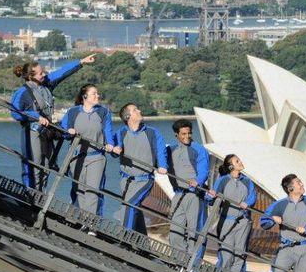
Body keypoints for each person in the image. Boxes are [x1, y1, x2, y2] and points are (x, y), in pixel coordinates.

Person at [10, 54, 96, 190]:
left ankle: (41, 196)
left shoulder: (46, 84)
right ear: (31, 76)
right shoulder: (22, 92)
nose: (44, 74)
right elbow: (15, 112)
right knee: (33, 165)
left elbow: (61, 72)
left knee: (45, 166)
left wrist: (81, 62)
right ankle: (30, 194)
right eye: (40, 73)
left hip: (47, 132)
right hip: (32, 132)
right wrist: (35, 116)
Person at [60, 84, 114, 221]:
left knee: (92, 191)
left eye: (97, 93)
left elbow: (107, 131)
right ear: (85, 96)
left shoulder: (103, 112)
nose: (98, 96)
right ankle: (82, 220)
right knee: (79, 190)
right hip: (76, 156)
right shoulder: (72, 112)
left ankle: (91, 224)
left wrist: (110, 144)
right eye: (94, 93)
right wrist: (69, 131)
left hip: (96, 157)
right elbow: (64, 131)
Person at [112, 103, 168, 234]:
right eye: (135, 110)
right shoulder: (121, 133)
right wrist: (115, 150)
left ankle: (124, 237)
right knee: (133, 208)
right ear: (127, 116)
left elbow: (161, 151)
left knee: (129, 205)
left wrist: (163, 166)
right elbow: (115, 151)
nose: (139, 110)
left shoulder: (152, 132)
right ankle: (142, 244)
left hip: (144, 180)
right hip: (126, 181)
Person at [207, 154, 256, 272]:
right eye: (237, 161)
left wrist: (247, 203)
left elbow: (253, 197)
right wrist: (210, 195)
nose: (240, 162)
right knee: (226, 254)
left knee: (240, 254)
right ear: (230, 166)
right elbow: (211, 198)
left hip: (244, 222)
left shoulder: (247, 181)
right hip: (226, 221)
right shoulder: (223, 180)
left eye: (239, 160)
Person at [166, 119, 209, 255]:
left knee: (194, 233)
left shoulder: (199, 149)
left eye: (189, 133)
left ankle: (193, 266)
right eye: (183, 134)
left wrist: (198, 181)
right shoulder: (170, 150)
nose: (187, 137)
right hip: (178, 195)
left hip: (194, 195)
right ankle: (180, 261)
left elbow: (204, 171)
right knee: (175, 233)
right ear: (176, 135)